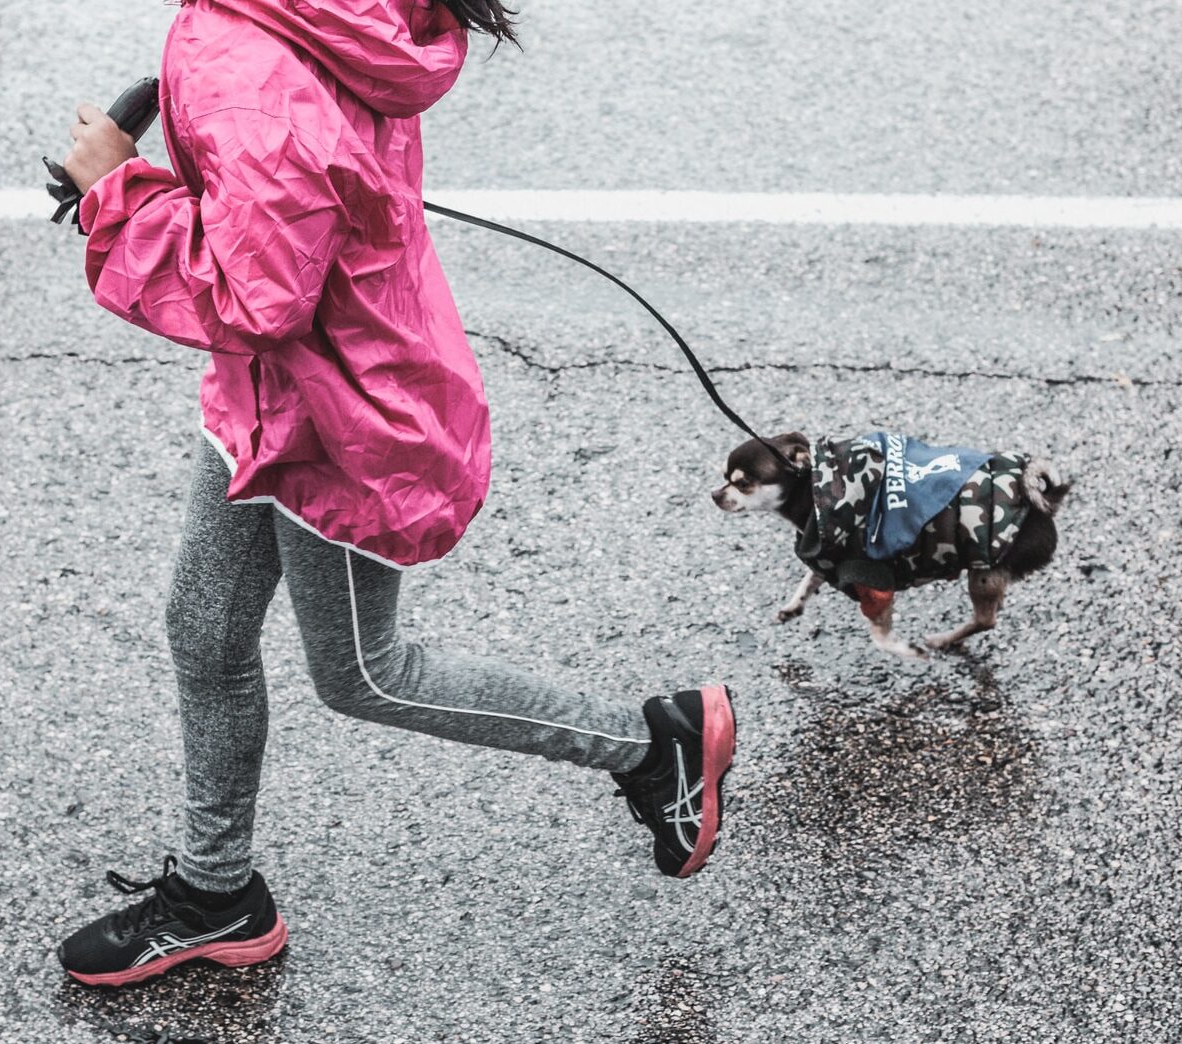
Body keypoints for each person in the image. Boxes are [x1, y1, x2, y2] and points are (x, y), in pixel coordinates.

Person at [55, 0, 736, 987]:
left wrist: (117, 195)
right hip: (281, 386)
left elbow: (257, 295)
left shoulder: (253, 73)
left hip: (340, 418)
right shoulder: (309, 19)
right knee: (204, 629)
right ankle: (217, 896)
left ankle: (651, 745)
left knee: (366, 674)